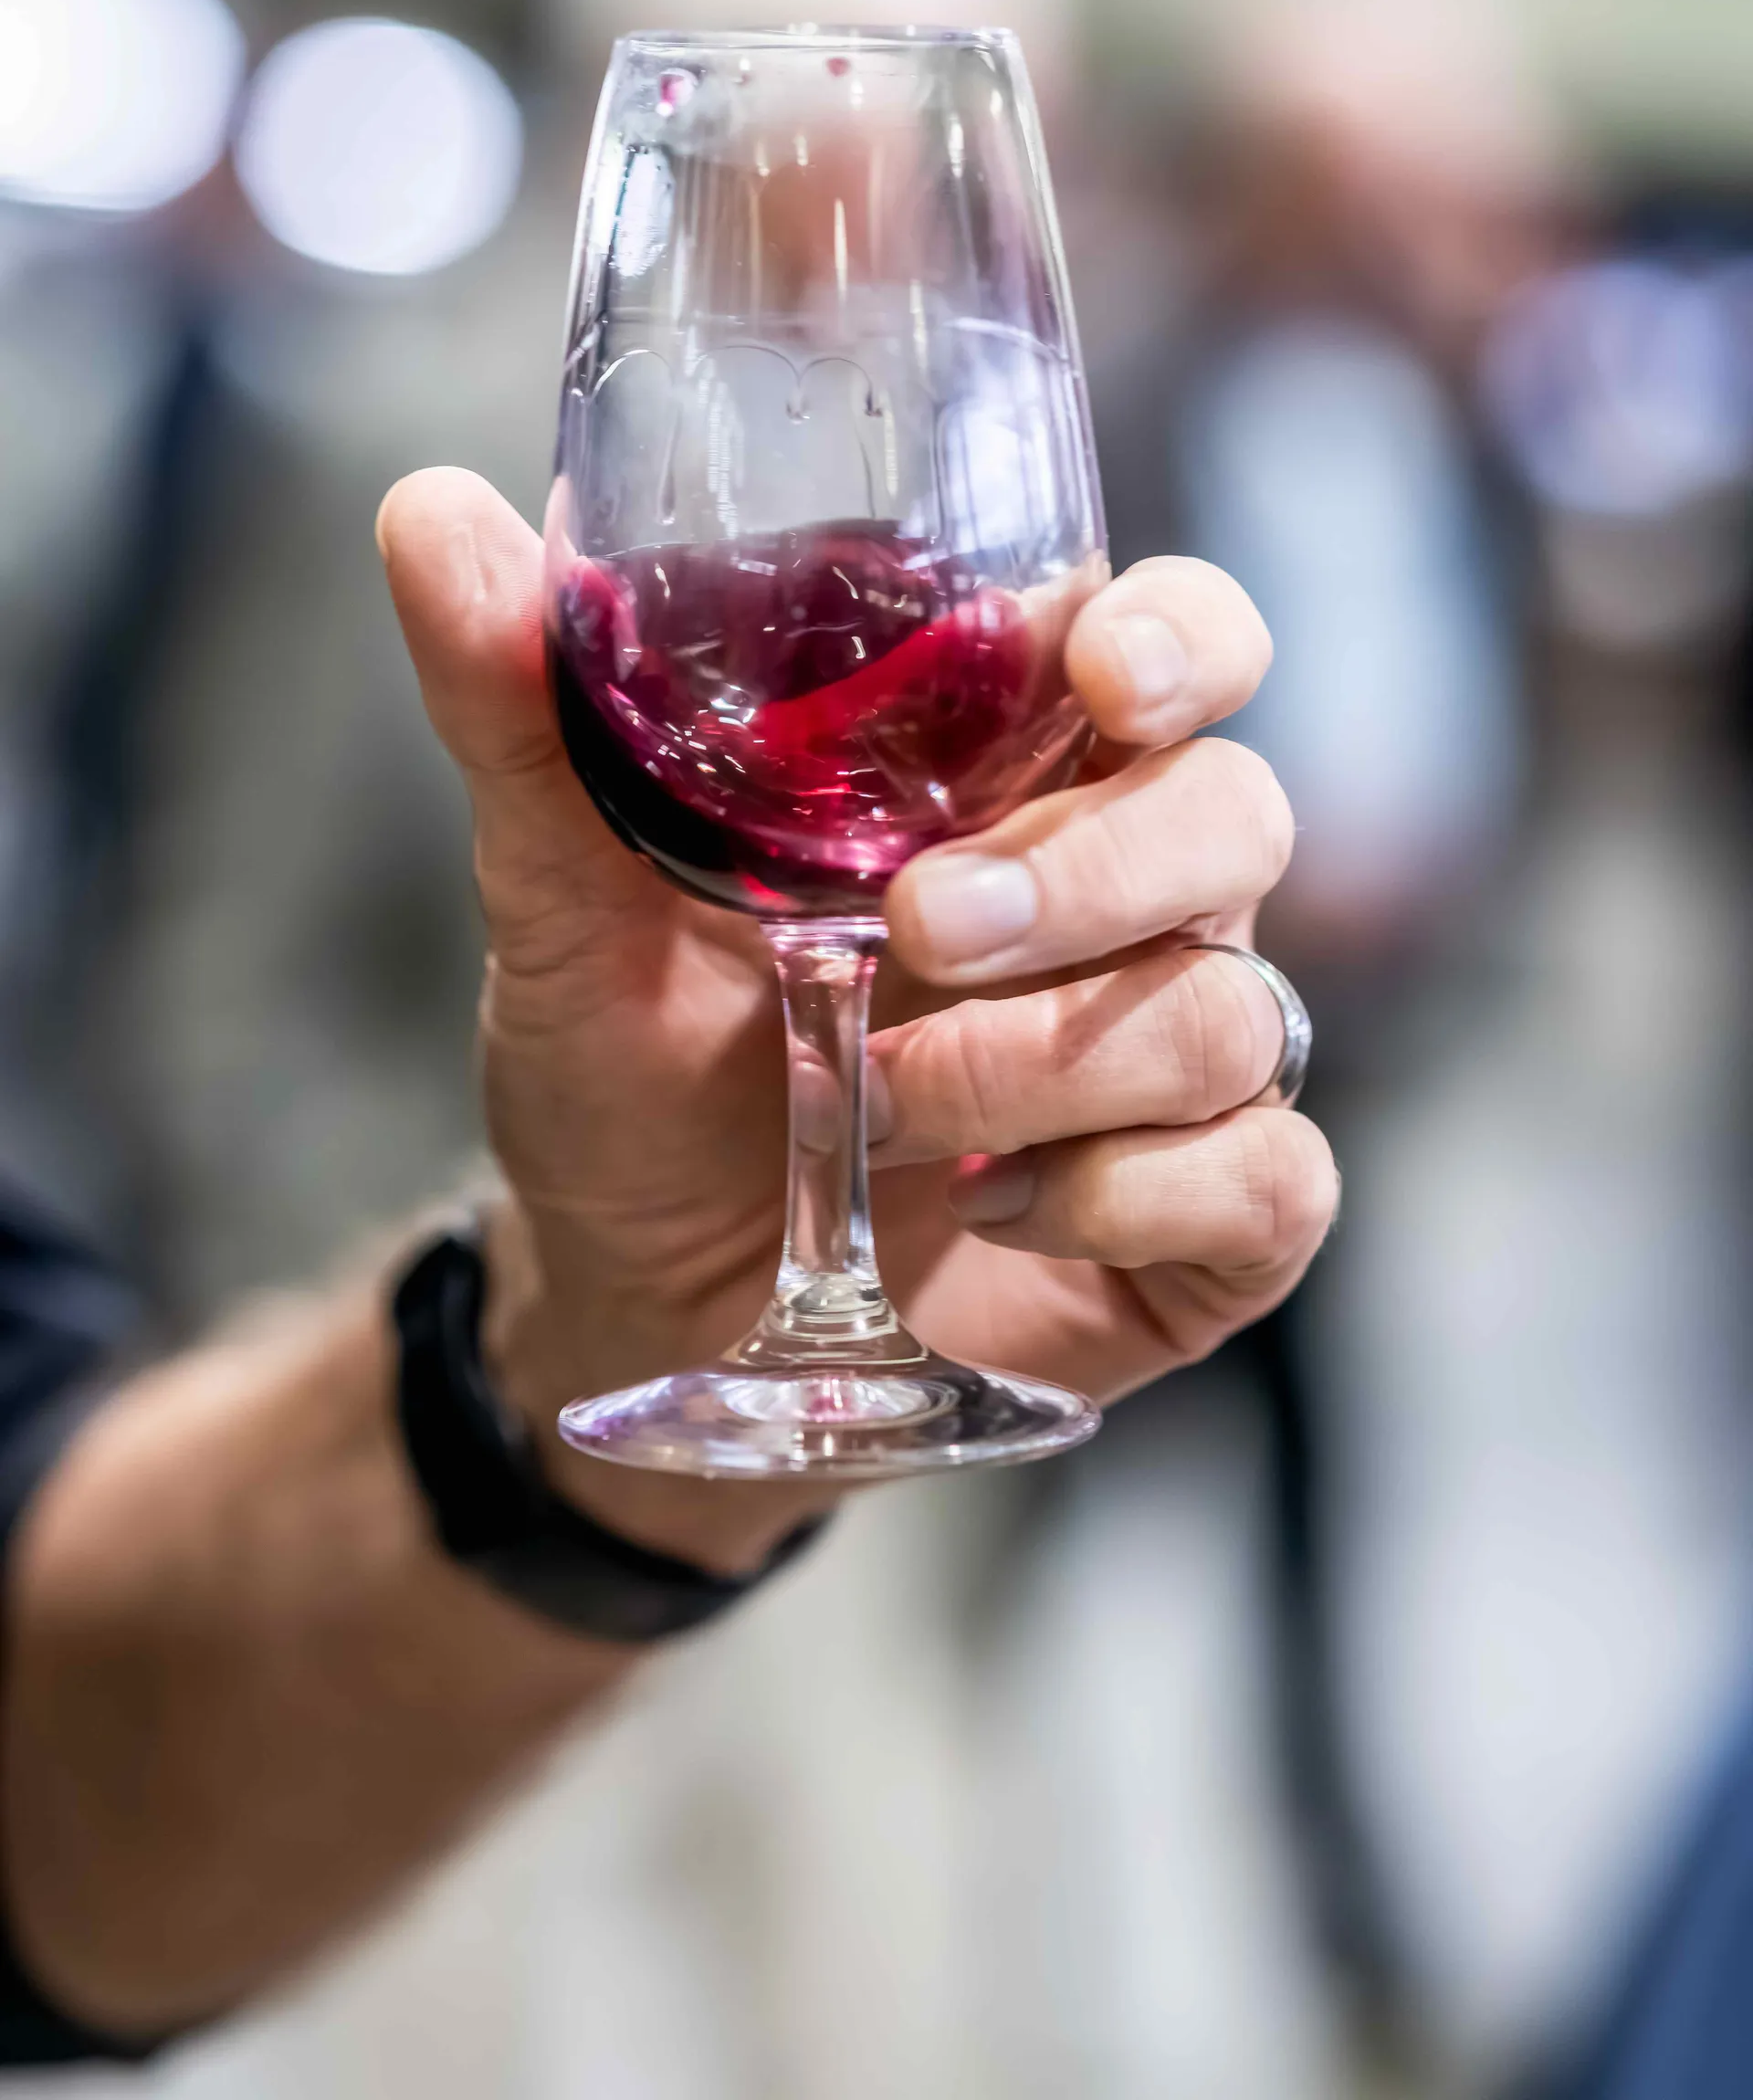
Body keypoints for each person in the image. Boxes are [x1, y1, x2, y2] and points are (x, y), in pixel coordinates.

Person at [0, 465, 1337, 2065]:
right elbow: (220, 966)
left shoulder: (995, 486)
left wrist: (620, 1315)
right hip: (372, 1393)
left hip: (790, 1497)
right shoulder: (391, 430)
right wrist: (434, 1260)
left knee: (866, 2004)